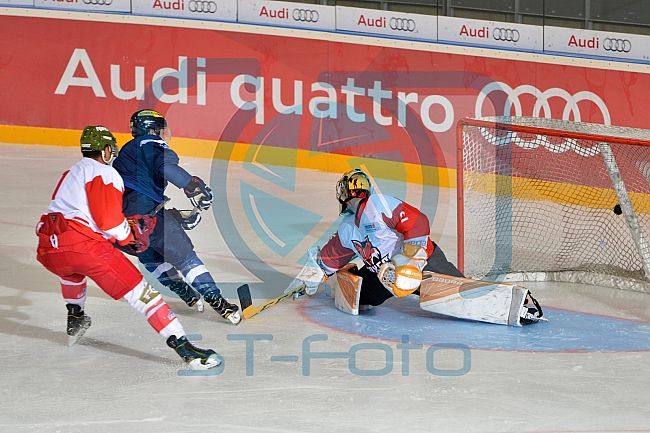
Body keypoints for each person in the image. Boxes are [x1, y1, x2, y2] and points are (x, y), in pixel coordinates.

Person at [36, 126, 220, 369]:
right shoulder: (105, 172)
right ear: (104, 150)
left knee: (71, 271)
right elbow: (109, 222)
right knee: (146, 296)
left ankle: (75, 316)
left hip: (49, 247)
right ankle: (186, 348)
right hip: (85, 247)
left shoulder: (70, 172)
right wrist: (128, 234)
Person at [112, 109, 241, 324]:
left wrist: (171, 217)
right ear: (152, 130)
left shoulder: (127, 151)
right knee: (186, 258)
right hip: (145, 215)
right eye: (160, 129)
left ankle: (185, 293)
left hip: (117, 222)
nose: (163, 134)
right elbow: (166, 167)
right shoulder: (150, 143)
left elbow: (132, 196)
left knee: (148, 253)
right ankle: (219, 303)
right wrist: (193, 187)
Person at [294, 168, 464, 310]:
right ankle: (343, 280)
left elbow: (418, 222)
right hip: (382, 275)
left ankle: (463, 291)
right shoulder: (347, 227)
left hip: (424, 262)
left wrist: (410, 261)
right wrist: (313, 275)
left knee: (460, 293)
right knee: (359, 297)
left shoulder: (378, 204)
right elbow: (331, 257)